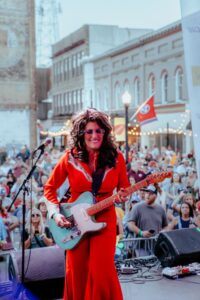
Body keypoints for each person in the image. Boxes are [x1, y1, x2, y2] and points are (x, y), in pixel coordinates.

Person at [44, 108, 130, 300]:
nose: (94, 135)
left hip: (105, 220)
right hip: (76, 221)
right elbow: (49, 188)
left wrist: (124, 196)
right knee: (77, 272)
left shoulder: (117, 158)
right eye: (89, 131)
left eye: (98, 131)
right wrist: (55, 214)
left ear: (105, 133)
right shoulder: (69, 157)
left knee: (101, 272)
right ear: (81, 134)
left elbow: (124, 187)